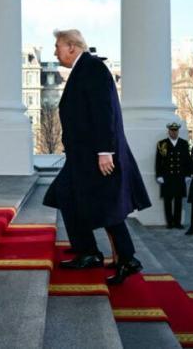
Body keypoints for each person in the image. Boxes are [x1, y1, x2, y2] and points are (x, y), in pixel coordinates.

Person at [43, 29, 151, 285]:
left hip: (96, 155)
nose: (54, 51)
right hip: (83, 156)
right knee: (69, 196)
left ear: (71, 47)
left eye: (57, 46)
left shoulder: (92, 68)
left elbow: (104, 113)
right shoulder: (84, 69)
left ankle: (124, 258)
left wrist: (105, 152)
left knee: (105, 206)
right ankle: (89, 251)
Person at [155, 122, 192, 229]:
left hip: (180, 176)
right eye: (172, 130)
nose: (174, 132)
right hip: (167, 177)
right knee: (167, 200)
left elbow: (187, 160)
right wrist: (159, 175)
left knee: (178, 200)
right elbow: (158, 161)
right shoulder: (162, 144)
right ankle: (169, 222)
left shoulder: (183, 143)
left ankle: (177, 222)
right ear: (169, 131)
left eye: (175, 130)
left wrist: (188, 174)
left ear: (178, 131)